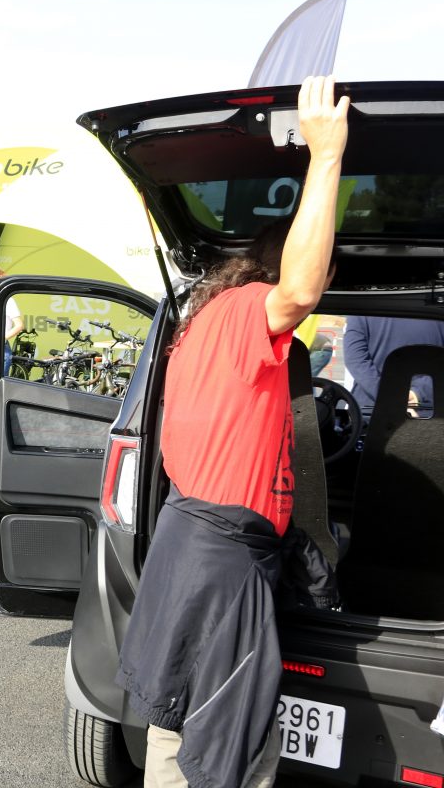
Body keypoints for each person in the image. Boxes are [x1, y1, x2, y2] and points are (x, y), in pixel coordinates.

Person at [115, 76, 349, 788]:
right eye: (327, 262)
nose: (322, 287)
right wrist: (327, 158)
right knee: (227, 753)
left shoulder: (205, 322)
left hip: (193, 551)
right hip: (220, 564)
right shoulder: (252, 312)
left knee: (179, 729)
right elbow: (303, 289)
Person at [343, 315, 444, 415]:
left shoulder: (364, 305)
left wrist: (388, 396)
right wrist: (418, 392)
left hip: (370, 408)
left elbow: (355, 358)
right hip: (428, 409)